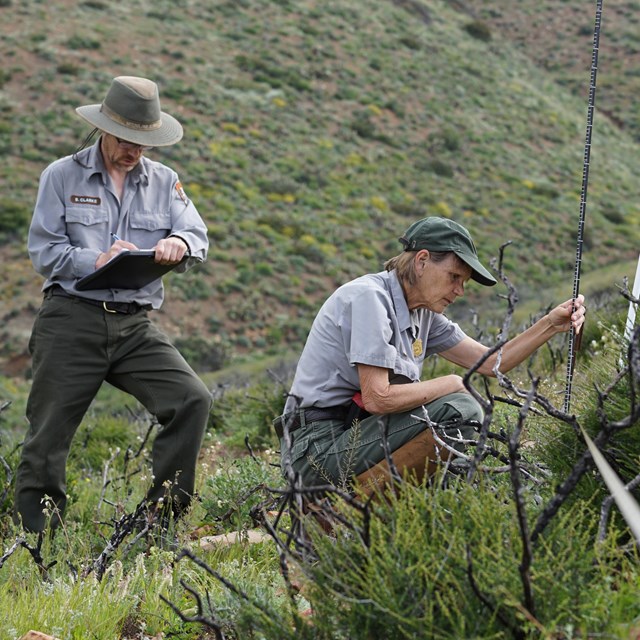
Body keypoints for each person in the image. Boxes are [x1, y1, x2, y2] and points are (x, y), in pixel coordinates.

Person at [14, 76, 212, 533]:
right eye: (126, 140)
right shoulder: (61, 175)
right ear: (105, 129)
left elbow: (197, 235)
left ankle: (160, 524)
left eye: (144, 143)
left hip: (135, 326)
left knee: (192, 400)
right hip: (70, 318)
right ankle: (39, 544)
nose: (134, 151)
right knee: (48, 437)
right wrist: (95, 258)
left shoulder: (166, 182)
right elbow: (43, 251)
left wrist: (179, 242)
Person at [275, 216, 586, 496]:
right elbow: (378, 399)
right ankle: (345, 508)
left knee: (458, 414)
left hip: (353, 436)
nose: (460, 290)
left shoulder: (423, 313)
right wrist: (452, 382)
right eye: (454, 277)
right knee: (459, 409)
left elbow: (492, 363)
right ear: (422, 261)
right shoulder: (369, 298)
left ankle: (378, 507)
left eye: (463, 282)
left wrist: (549, 324)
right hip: (317, 448)